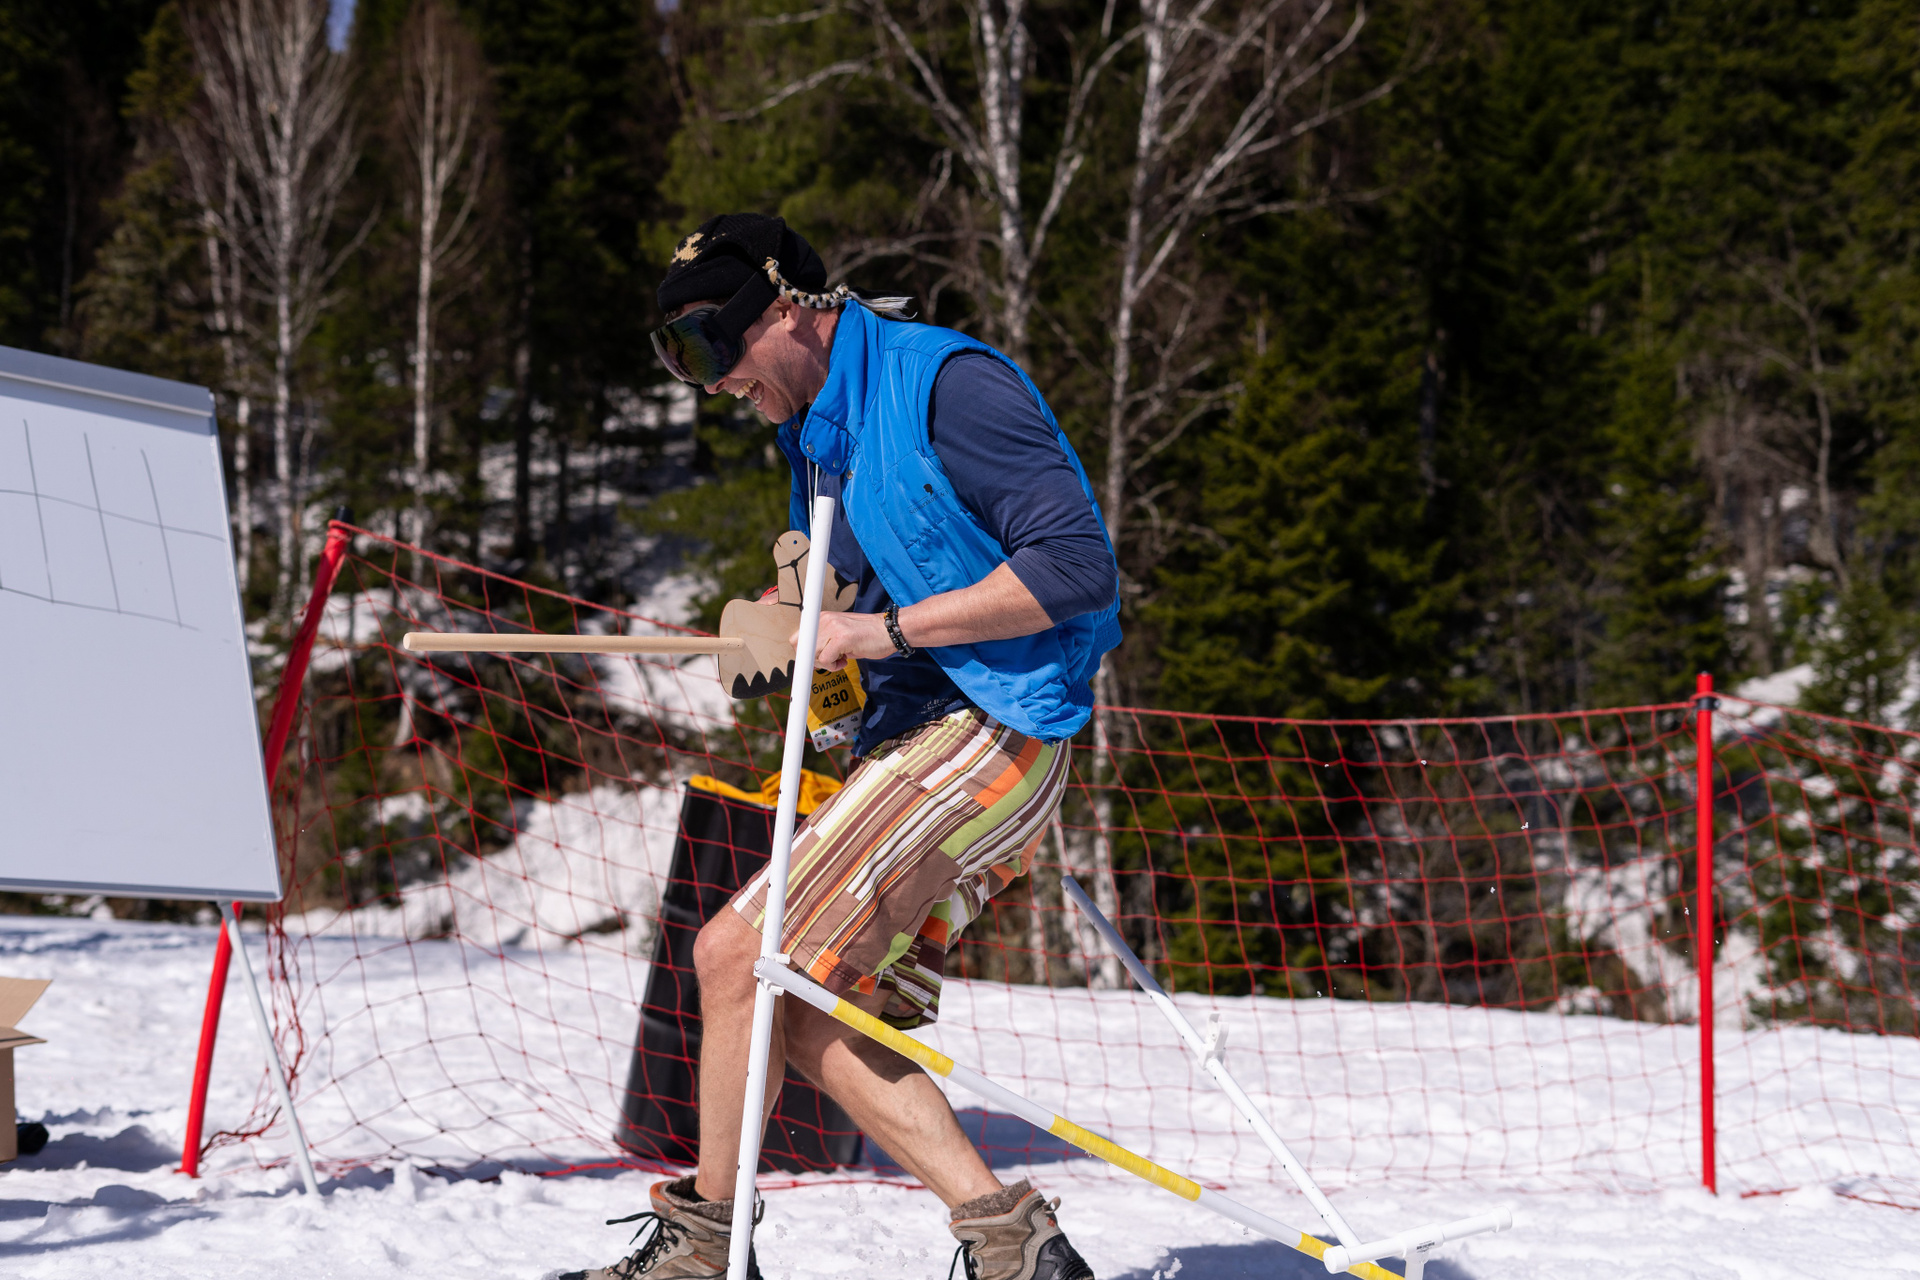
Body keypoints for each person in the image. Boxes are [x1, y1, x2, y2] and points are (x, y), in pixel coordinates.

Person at [565, 214, 1120, 1280]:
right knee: (813, 1012)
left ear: (786, 310)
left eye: (713, 348)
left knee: (735, 955)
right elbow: (832, 597)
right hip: (913, 735)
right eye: (681, 359)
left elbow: (1077, 566)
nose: (714, 384)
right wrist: (779, 626)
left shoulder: (948, 384)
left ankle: (704, 1248)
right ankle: (1017, 1248)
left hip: (996, 724)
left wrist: (884, 633)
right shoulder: (816, 435)